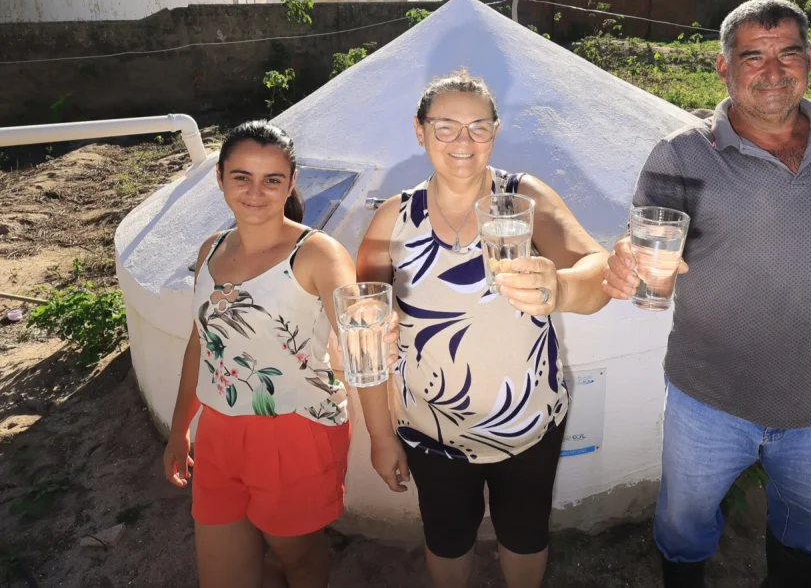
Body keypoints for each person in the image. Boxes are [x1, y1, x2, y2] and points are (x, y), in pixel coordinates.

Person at [603, 0, 811, 588]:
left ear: (810, 60)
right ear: (724, 67)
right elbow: (646, 247)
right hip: (708, 399)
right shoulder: (681, 155)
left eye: (788, 53)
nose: (773, 71)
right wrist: (627, 259)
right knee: (684, 527)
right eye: (752, 57)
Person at [356, 69, 610, 588]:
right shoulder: (392, 220)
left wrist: (560, 288)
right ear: (420, 130)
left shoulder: (523, 199)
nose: (463, 141)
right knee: (447, 543)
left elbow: (597, 270)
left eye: (478, 127)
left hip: (529, 423)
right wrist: (380, 436)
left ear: (495, 132)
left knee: (525, 537)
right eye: (445, 126)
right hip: (431, 431)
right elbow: (366, 337)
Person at [162, 121, 399, 588]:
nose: (256, 192)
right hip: (218, 431)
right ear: (220, 178)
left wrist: (382, 438)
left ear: (291, 183)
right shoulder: (211, 249)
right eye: (241, 177)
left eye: (272, 179)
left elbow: (362, 348)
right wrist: (179, 430)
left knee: (300, 564)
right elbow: (201, 343)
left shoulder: (317, 254)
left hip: (295, 433)